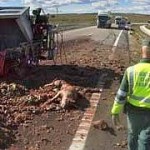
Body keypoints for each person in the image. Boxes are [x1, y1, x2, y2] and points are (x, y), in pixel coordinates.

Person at [111, 39, 150, 150]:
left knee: (132, 135)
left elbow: (121, 95)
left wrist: (115, 112)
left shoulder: (131, 71)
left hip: (133, 112)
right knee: (145, 140)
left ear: (141, 53)